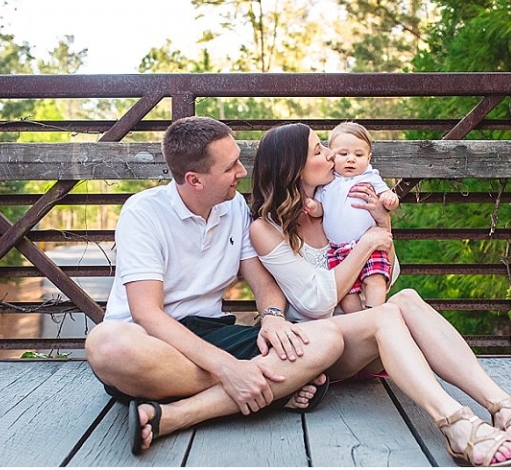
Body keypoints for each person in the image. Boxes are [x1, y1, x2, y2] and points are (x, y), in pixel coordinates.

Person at [249, 122, 511, 467]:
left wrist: (383, 226)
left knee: (405, 297)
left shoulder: (334, 203)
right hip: (322, 349)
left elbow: (389, 273)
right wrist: (366, 244)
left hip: (366, 335)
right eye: (319, 150)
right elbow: (315, 303)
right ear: (293, 168)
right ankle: (456, 424)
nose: (332, 154)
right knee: (384, 314)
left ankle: (503, 406)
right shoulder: (265, 227)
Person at [85, 116, 344, 455]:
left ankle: (178, 414)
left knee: (327, 338)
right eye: (230, 167)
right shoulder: (143, 213)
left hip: (212, 333)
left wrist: (272, 317)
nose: (242, 172)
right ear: (194, 180)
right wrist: (229, 369)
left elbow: (261, 280)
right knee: (105, 345)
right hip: (151, 343)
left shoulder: (234, 205)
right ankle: (271, 391)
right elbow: (147, 314)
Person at [304, 121, 400, 313]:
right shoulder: (327, 183)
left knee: (376, 281)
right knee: (346, 294)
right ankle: (358, 322)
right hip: (338, 249)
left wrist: (390, 199)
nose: (351, 160)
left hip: (368, 244)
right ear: (331, 155)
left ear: (368, 157)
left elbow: (387, 195)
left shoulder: (370, 177)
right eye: (343, 154)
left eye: (358, 155)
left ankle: (374, 314)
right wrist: (312, 206)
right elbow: (321, 209)